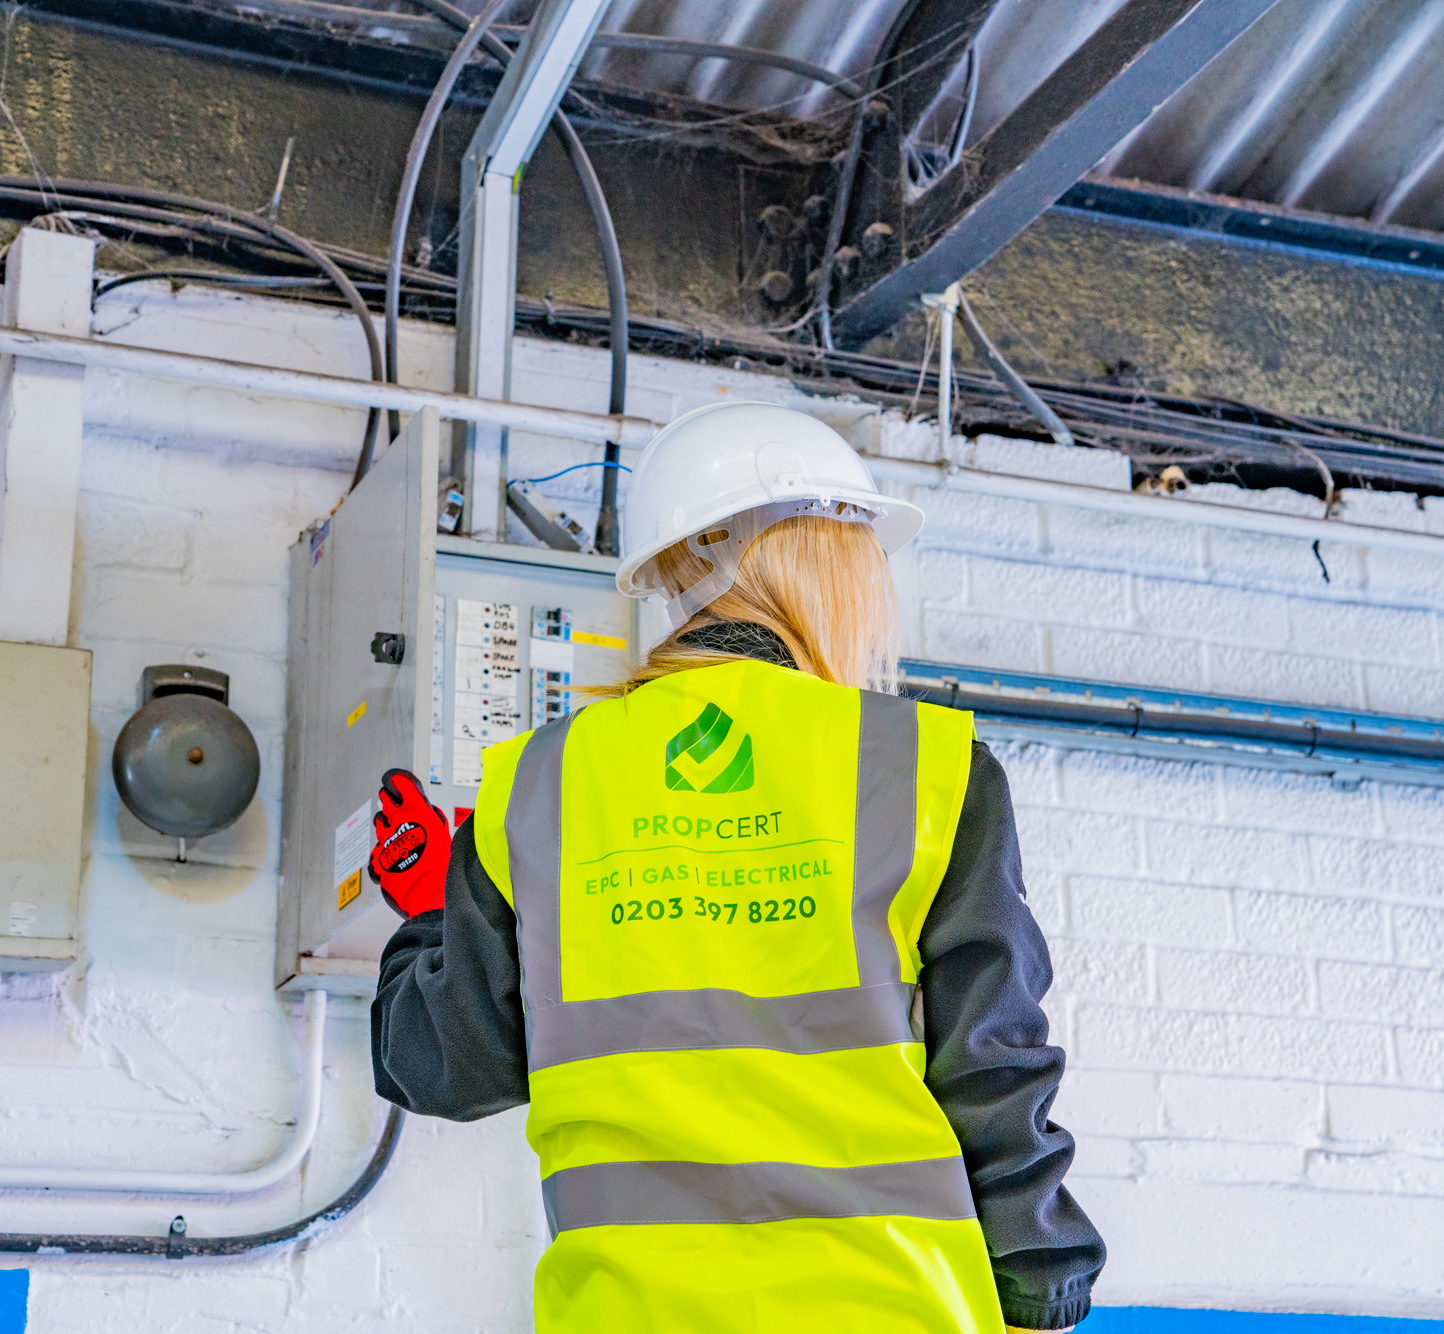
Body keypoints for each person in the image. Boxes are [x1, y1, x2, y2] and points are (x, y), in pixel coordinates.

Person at [370, 401, 1105, 1332]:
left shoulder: (538, 790)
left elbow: (440, 1067)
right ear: (825, 566)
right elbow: (989, 1064)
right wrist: (1044, 1283)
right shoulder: (919, 769)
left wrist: (434, 907)